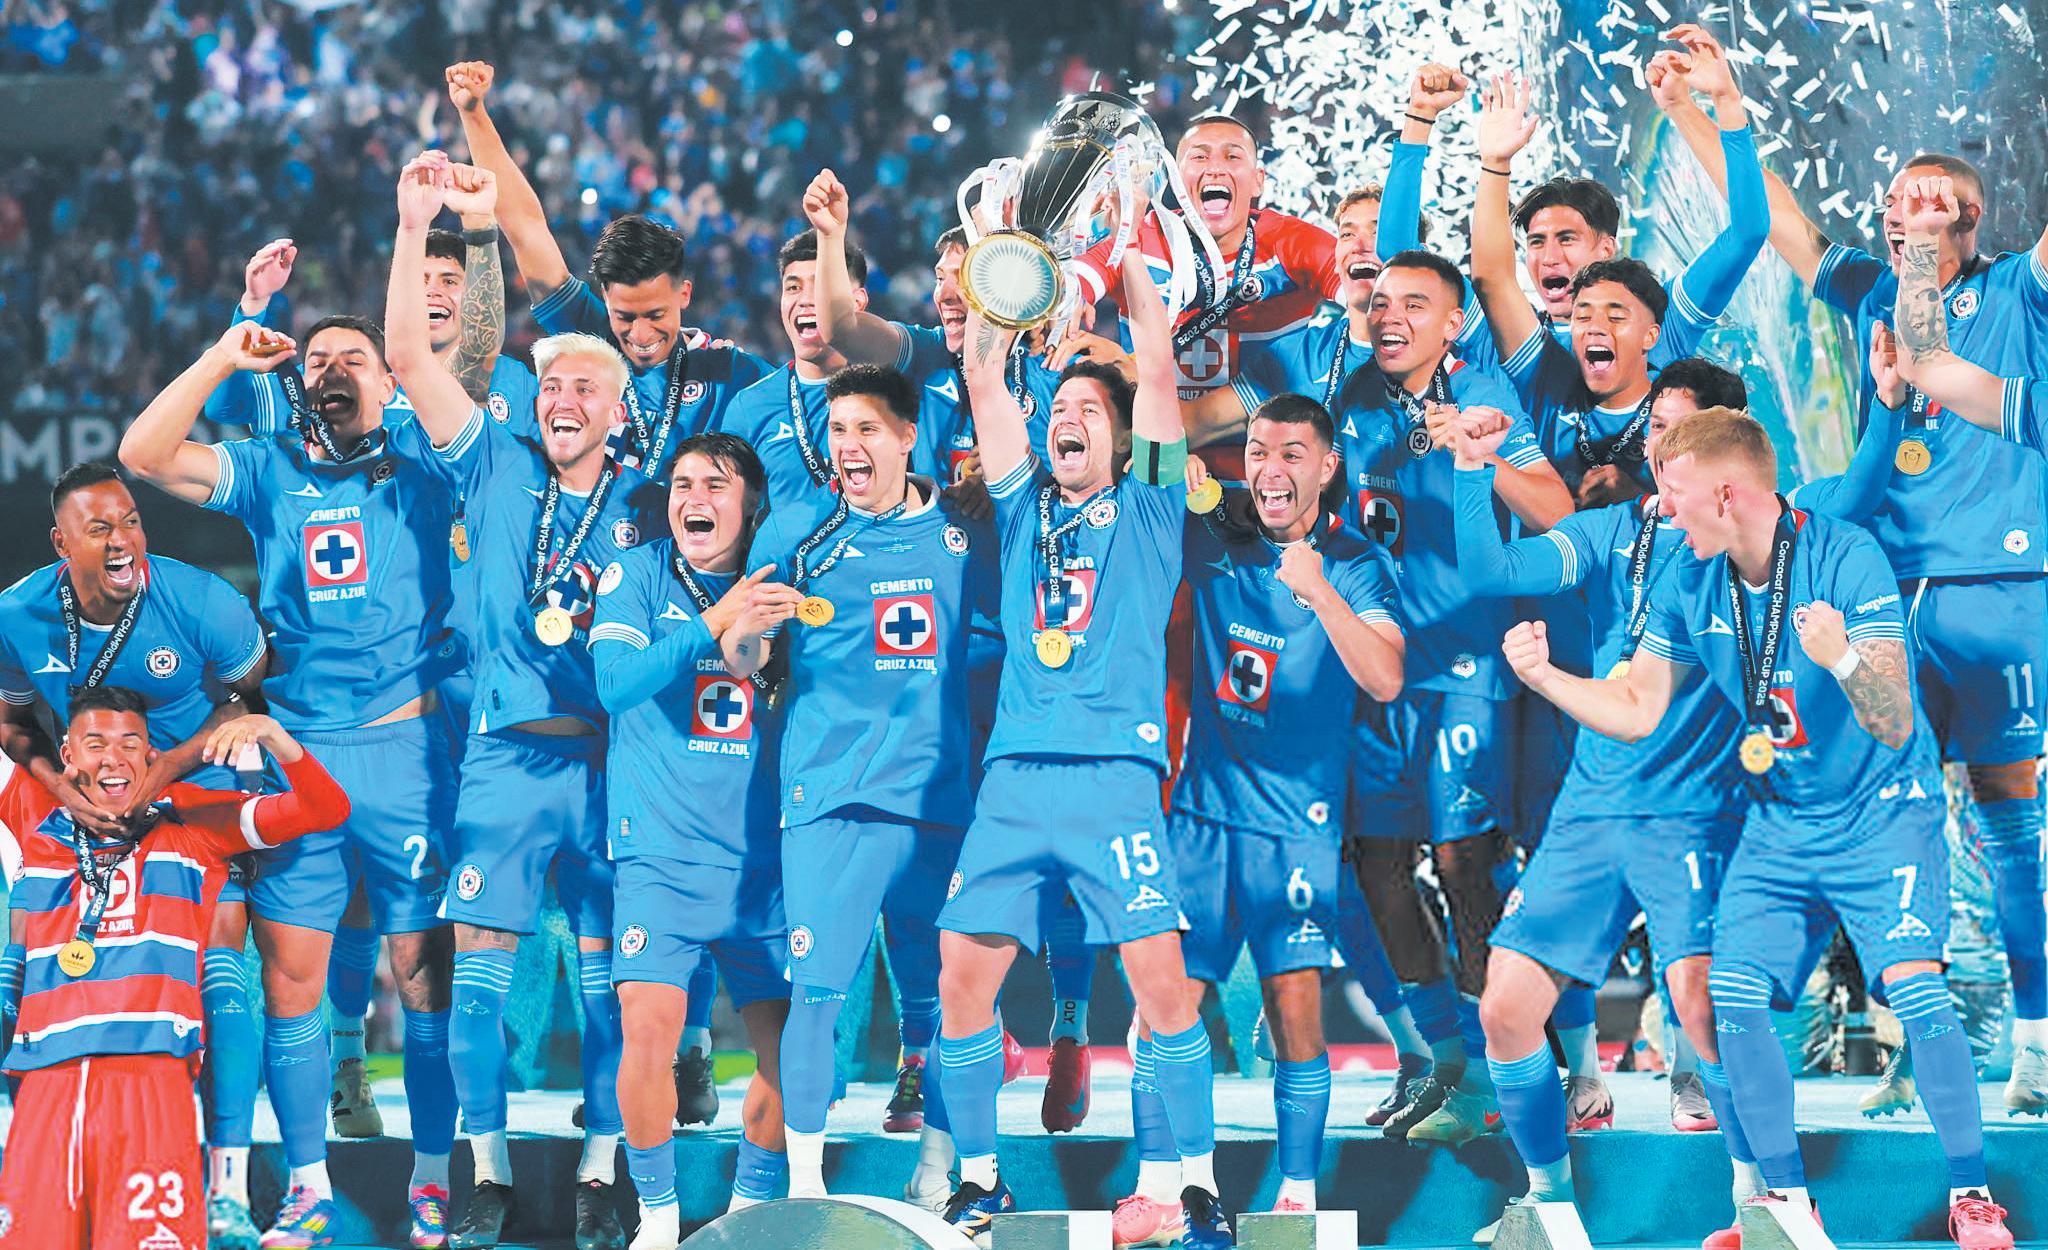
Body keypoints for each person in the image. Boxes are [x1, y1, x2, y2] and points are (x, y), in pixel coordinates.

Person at [1503, 405, 2013, 1250]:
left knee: (1915, 987)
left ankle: (1972, 1196)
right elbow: (1637, 709)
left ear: (1727, 494)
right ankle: (1783, 1206)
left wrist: (1840, 657)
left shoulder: (1844, 555)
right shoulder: (1686, 574)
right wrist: (1547, 678)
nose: (1663, 508)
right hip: (1780, 817)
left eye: (1674, 491)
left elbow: (1894, 721)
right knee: (1730, 998)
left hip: (1882, 810)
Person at [1672, 84, 2048, 1114]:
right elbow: (1779, 220)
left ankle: (2033, 1042)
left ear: (1969, 216)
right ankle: (1915, 1034)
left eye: (1926, 197)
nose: (1902, 210)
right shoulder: (1874, 290)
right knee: (1884, 804)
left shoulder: (2018, 289)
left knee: (2007, 816)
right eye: (1894, 198)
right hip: (1877, 579)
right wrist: (1711, 108)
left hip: (1996, 587)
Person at [118, 312, 462, 1249]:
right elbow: (143, 454)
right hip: (299, 755)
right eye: (317, 361)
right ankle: (308, 1186)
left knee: (422, 975)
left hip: (405, 754)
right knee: (290, 980)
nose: (334, 371)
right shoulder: (269, 468)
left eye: (355, 358)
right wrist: (223, 355)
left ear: (390, 380)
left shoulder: (429, 459)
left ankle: (434, 1181)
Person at [202, 192, 537, 1151]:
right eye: (418, 280)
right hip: (342, 711)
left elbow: (467, 350)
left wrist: (472, 232)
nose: (433, 294)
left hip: (459, 684)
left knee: (444, 934)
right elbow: (253, 403)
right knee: (343, 911)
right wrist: (251, 316)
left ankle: (470, 1117)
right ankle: (348, 1058)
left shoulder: (481, 396)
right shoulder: (319, 419)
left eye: (450, 281)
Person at [1234, 247, 1571, 1145]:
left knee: (1464, 865)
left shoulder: (1485, 390)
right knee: (1375, 863)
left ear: (1453, 324)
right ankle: (1447, 1060)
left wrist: (1479, 456)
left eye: (1415, 305)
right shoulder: (1346, 389)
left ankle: (1510, 1065)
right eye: (1381, 301)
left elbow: (1557, 511)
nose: (1390, 316)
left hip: (1464, 672)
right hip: (1374, 667)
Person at [933, 245, 1227, 1249]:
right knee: (960, 979)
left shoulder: (1150, 506)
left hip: (1113, 780)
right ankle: (979, 1180)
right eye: (1058, 408)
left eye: (1088, 411)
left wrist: (1132, 255)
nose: (1068, 418)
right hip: (1015, 779)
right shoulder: (1022, 510)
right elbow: (983, 375)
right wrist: (999, 274)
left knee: (1161, 987)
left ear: (1123, 437)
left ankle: (1198, 1192)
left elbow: (1156, 367)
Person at [383, 154, 640, 1250]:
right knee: (477, 984)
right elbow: (408, 356)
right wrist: (416, 225)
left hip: (613, 764)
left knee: (611, 990)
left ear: (619, 410)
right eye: (550, 386)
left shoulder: (654, 498)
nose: (562, 400)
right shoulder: (496, 461)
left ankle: (600, 1168)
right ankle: (484, 1172)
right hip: (502, 762)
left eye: (584, 387)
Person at [1453, 363, 1758, 1243]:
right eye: (1654, 427)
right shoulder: (1609, 530)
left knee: (1702, 1007)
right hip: (1593, 805)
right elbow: (1492, 571)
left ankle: (1761, 1201)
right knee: (1506, 1008)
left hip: (1691, 807)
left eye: (1683, 430)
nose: (1660, 445)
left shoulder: (1745, 547)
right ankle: (1549, 1205)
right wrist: (1473, 471)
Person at [722, 363, 994, 1202]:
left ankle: (939, 1175)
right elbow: (744, 661)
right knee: (817, 996)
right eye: (838, 431)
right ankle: (805, 1193)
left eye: (867, 430)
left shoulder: (965, 531)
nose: (849, 447)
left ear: (908, 437)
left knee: (953, 1003)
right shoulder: (796, 531)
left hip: (938, 804)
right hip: (828, 801)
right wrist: (746, 636)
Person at [0, 460, 275, 1247]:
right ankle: (33, 1140)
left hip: (190, 794)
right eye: (101, 528)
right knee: (29, 960)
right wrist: (61, 787)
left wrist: (170, 767)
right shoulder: (17, 613)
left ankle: (227, 1185)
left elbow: (250, 695)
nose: (123, 540)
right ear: (62, 544)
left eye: (131, 521)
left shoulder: (199, 599)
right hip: (87, 799)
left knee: (218, 959)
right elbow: (13, 725)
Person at [0, 691, 349, 1250]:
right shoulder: (34, 810)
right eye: (95, 744)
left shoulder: (192, 823)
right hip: (46, 1083)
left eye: (129, 744)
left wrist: (275, 738)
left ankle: (232, 1192)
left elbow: (324, 809)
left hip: (152, 1080)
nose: (112, 759)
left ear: (151, 755)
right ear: (66, 755)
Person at [1172, 396, 1405, 1214]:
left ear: (1328, 466)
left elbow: (1386, 677)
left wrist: (1319, 593)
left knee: (1294, 1010)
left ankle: (1296, 1198)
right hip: (1202, 818)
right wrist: (1178, 459)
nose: (1270, 471)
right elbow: (1143, 462)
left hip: (1296, 826)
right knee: (1169, 1009)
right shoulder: (1214, 525)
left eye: (1292, 454)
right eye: (1258, 452)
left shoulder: (1355, 561)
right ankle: (1174, 1188)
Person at [589, 433, 794, 1249]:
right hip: (660, 855)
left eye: (714, 484)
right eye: (681, 485)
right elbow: (615, 685)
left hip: (761, 861)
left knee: (791, 1053)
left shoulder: (786, 583)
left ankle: (746, 1214)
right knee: (646, 1033)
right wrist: (717, 616)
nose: (693, 499)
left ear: (751, 504)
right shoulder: (635, 575)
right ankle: (659, 1218)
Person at [445, 60, 771, 487]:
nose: (640, 334)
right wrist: (474, 114)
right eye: (624, 317)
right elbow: (525, 228)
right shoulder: (591, 337)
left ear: (684, 294)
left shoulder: (730, 372)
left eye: (656, 315)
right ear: (605, 299)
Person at [1382, 32, 1766, 383]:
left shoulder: (1661, 321)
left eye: (1566, 239)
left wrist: (1726, 101)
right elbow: (1398, 257)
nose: (1549, 257)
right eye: (1536, 241)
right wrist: (1419, 117)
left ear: (1607, 248)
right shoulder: (1501, 335)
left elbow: (1748, 232)